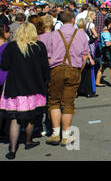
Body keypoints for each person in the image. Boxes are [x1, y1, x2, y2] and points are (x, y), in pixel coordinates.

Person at [0, 22, 50, 159]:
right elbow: (45, 67)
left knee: (15, 119)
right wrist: (46, 82)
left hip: (15, 86)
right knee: (31, 116)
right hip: (34, 86)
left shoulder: (11, 47)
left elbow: (4, 66)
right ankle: (28, 141)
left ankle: (12, 149)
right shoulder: (39, 46)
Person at [45, 10, 89, 146]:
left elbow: (48, 57)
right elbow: (85, 56)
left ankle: (54, 134)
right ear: (73, 20)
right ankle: (65, 135)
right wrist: (79, 70)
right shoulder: (81, 35)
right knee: (68, 103)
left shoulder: (53, 35)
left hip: (56, 69)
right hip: (74, 69)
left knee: (54, 101)